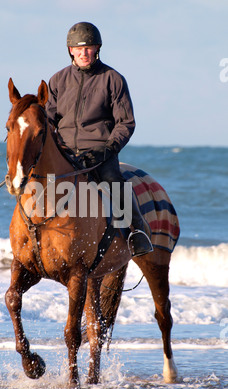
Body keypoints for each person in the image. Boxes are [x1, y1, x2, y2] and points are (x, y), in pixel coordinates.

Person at [46, 22, 153, 257]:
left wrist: (107, 149)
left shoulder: (113, 79)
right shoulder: (57, 80)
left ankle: (138, 232)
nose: (84, 53)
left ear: (97, 49)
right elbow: (49, 121)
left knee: (114, 180)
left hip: (100, 153)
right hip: (65, 153)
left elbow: (126, 123)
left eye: (89, 48)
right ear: (70, 50)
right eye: (79, 48)